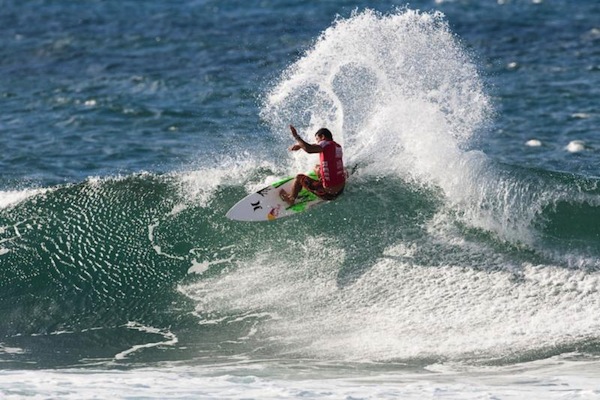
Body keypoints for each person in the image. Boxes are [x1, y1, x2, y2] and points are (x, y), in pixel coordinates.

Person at [279, 125, 345, 206]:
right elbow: (316, 146)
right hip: (341, 189)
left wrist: (296, 137)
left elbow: (309, 149)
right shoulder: (337, 146)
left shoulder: (325, 144)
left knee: (299, 178)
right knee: (317, 167)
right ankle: (323, 181)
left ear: (323, 136)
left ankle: (291, 200)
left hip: (329, 193)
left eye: (317, 139)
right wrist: (300, 146)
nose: (317, 143)